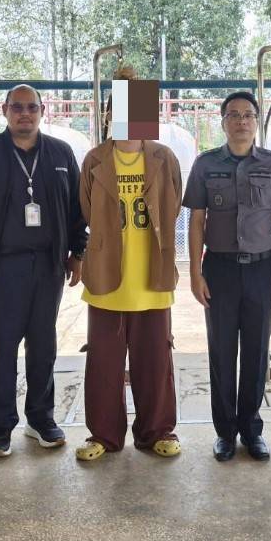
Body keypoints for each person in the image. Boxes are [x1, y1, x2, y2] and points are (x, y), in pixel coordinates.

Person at [0, 85, 87, 458]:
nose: (24, 114)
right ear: (4, 110)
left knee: (43, 347)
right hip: (1, 267)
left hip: (48, 265)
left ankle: (41, 419)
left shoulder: (60, 153)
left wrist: (78, 252)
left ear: (42, 111)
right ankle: (0, 426)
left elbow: (77, 209)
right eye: (17, 107)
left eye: (31, 108)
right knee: (4, 349)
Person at [74, 74, 184, 462]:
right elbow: (87, 208)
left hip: (151, 276)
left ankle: (157, 431)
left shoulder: (164, 158)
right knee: (103, 362)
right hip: (107, 276)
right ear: (110, 115)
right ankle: (103, 435)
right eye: (123, 109)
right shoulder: (95, 160)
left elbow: (174, 201)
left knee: (155, 360)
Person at [183, 91, 271, 462]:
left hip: (262, 269)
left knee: (256, 351)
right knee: (221, 352)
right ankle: (225, 433)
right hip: (220, 269)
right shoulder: (205, 164)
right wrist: (195, 272)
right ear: (223, 122)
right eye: (234, 115)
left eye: (248, 115)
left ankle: (251, 430)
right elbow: (196, 220)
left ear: (256, 121)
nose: (241, 121)